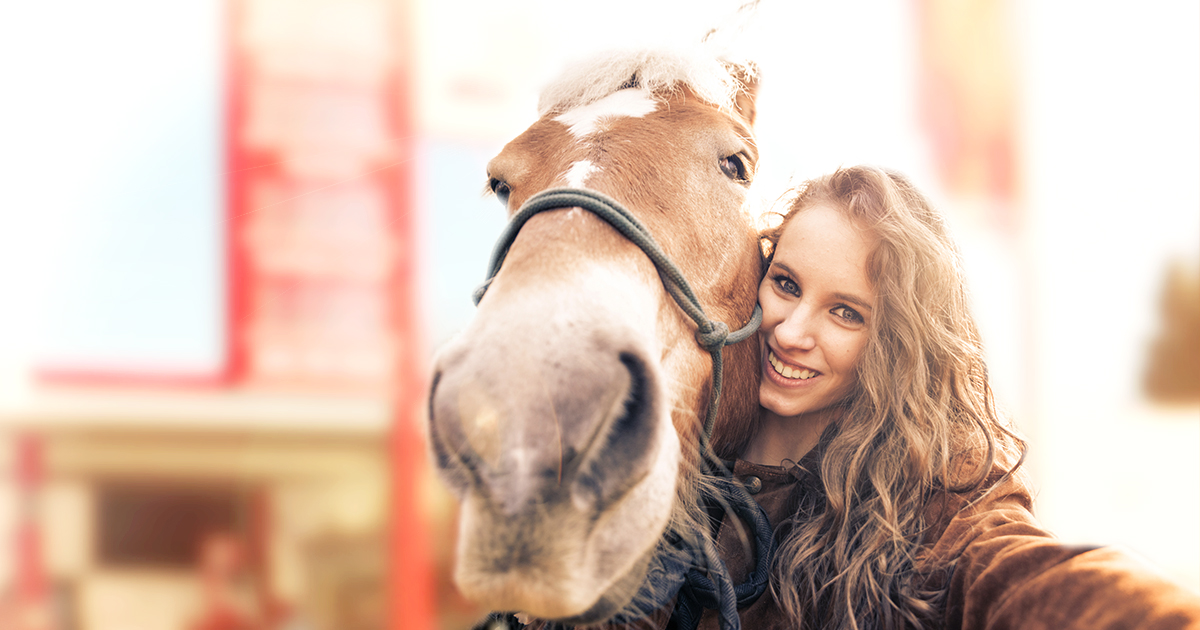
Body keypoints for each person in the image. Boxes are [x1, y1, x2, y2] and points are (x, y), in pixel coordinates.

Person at [696, 165, 1200, 630]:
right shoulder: (682, 419)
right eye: (786, 284)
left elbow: (1013, 574)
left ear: (895, 344)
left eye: (846, 313)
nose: (791, 333)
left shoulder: (931, 489)